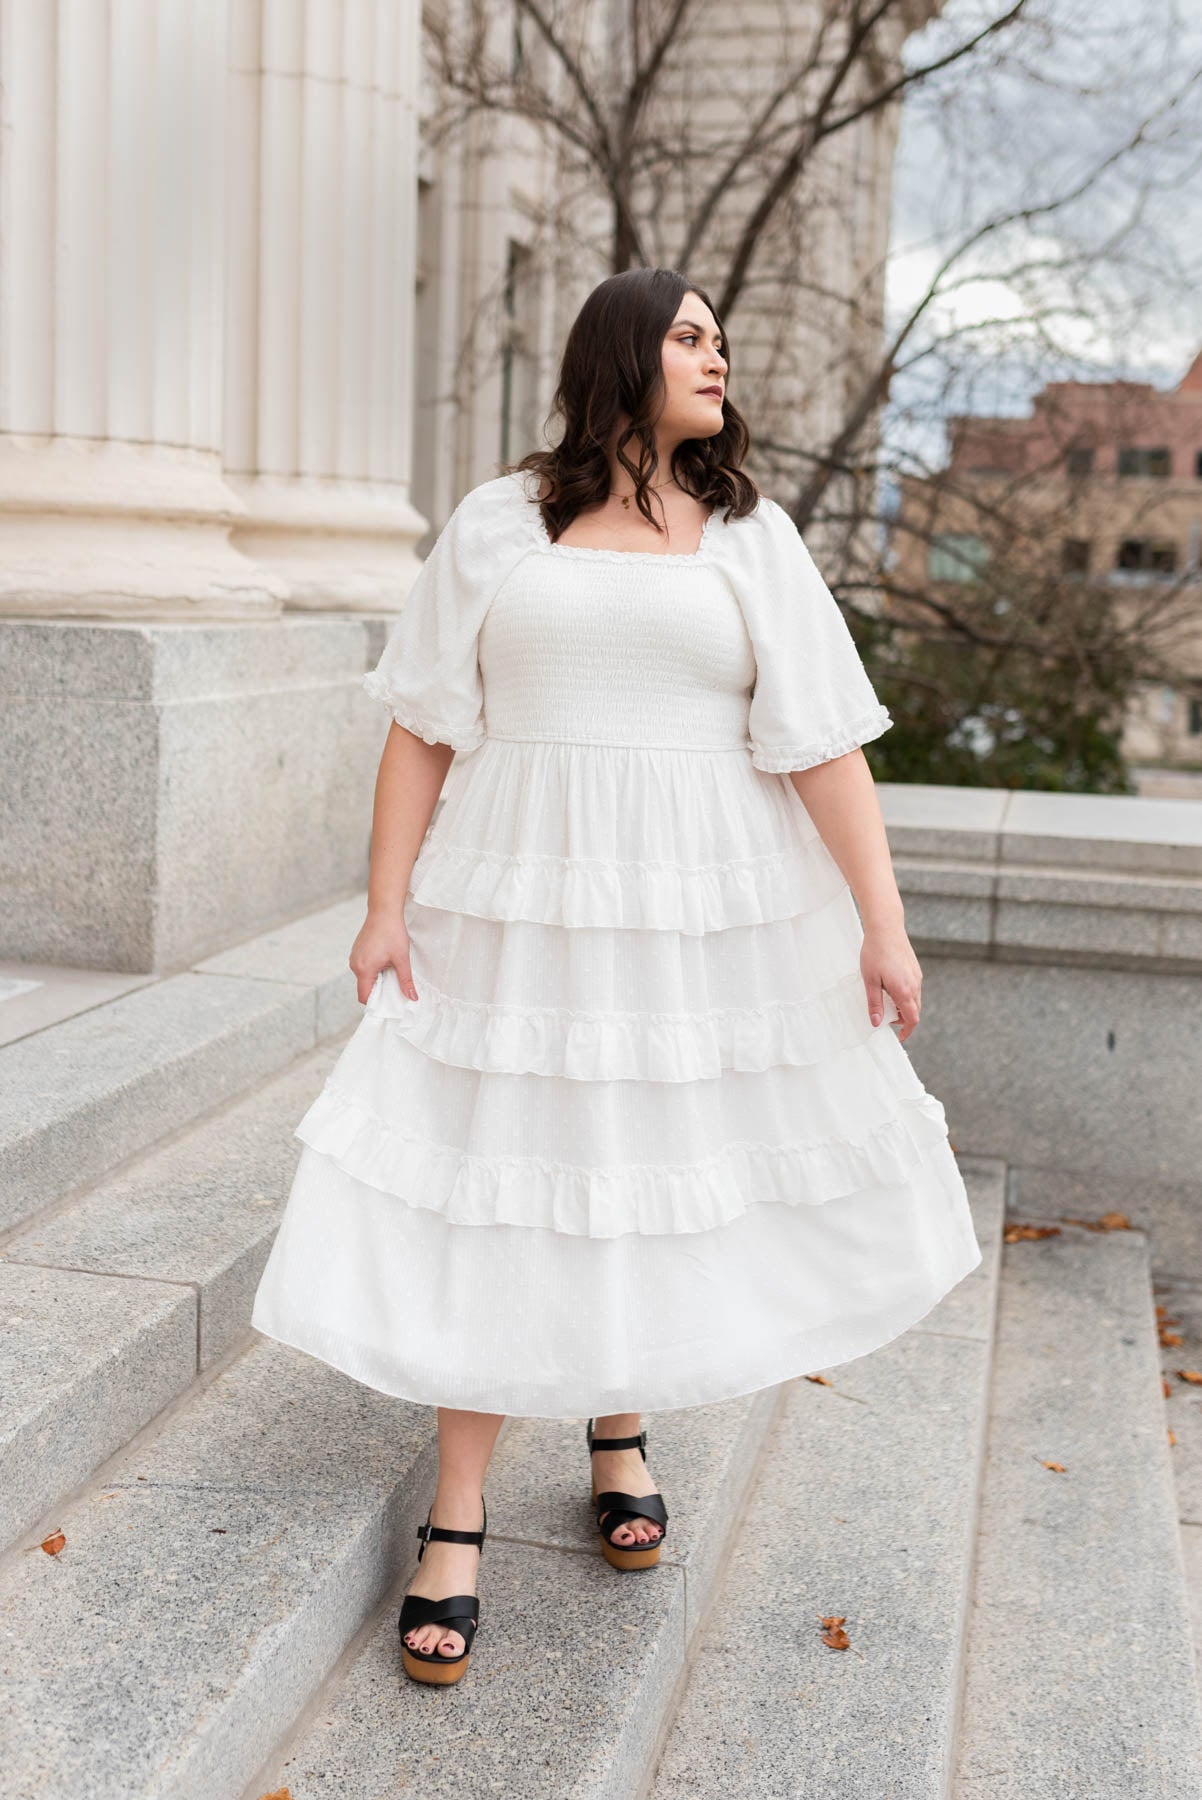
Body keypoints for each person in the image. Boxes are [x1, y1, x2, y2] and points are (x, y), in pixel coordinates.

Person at [250, 267, 983, 1685]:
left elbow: (824, 744)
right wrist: (383, 905)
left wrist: (880, 929)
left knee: (641, 1158)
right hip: (513, 899)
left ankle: (617, 1423)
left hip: (700, 906)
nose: (718, 359)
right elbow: (421, 729)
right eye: (692, 336)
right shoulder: (498, 521)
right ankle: (456, 1515)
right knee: (500, 1178)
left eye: (720, 340)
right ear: (622, 354)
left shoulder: (750, 535)